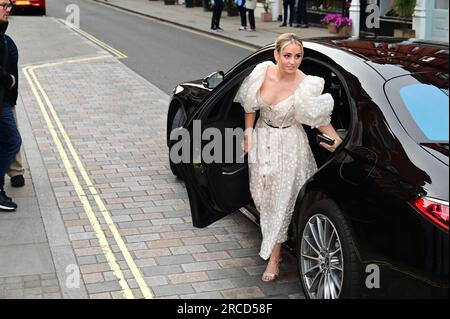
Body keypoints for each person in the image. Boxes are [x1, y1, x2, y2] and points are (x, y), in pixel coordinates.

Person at [234, 33, 342, 282]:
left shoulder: (307, 84)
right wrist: (249, 131)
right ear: (276, 55)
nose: (293, 62)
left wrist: (337, 141)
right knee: (261, 196)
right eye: (287, 56)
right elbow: (250, 104)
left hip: (289, 144)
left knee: (280, 203)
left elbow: (319, 119)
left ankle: (274, 258)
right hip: (262, 137)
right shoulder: (262, 71)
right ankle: (274, 240)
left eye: (298, 56)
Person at [0, 0, 22, 212]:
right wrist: (7, 79)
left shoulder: (6, 38)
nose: (8, 9)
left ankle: (14, 172)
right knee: (12, 141)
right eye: (3, 5)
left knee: (10, 140)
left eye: (9, 5)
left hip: (6, 99)